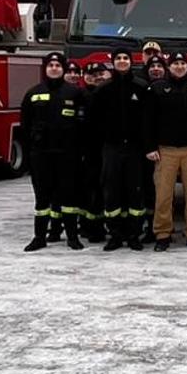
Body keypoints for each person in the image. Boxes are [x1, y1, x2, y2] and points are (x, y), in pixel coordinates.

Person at [20, 52, 87, 252]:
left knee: (69, 197)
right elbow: (25, 125)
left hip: (68, 154)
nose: (54, 68)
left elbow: (83, 124)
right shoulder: (33, 93)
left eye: (58, 65)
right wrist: (28, 155)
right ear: (45, 68)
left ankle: (72, 237)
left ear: (63, 68)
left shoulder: (75, 93)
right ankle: (39, 237)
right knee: (42, 198)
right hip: (41, 154)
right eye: (51, 65)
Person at [146, 53, 187, 250]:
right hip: (165, 150)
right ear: (169, 66)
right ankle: (162, 233)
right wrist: (150, 147)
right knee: (163, 196)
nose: (179, 66)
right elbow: (148, 120)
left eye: (183, 63)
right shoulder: (157, 88)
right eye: (175, 63)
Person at [92, 50, 150, 252]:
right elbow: (95, 122)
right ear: (113, 62)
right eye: (119, 58)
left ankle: (134, 235)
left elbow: (148, 120)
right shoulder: (103, 89)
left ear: (131, 61)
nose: (122, 61)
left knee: (135, 191)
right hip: (112, 148)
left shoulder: (141, 87)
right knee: (112, 192)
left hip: (135, 149)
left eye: (126, 58)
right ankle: (115, 235)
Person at [76, 62, 111, 243]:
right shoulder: (81, 96)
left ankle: (107, 225)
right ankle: (90, 227)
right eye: (93, 75)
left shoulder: (111, 93)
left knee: (109, 189)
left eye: (100, 73)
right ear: (86, 77)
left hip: (110, 149)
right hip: (89, 151)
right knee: (90, 190)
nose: (97, 77)